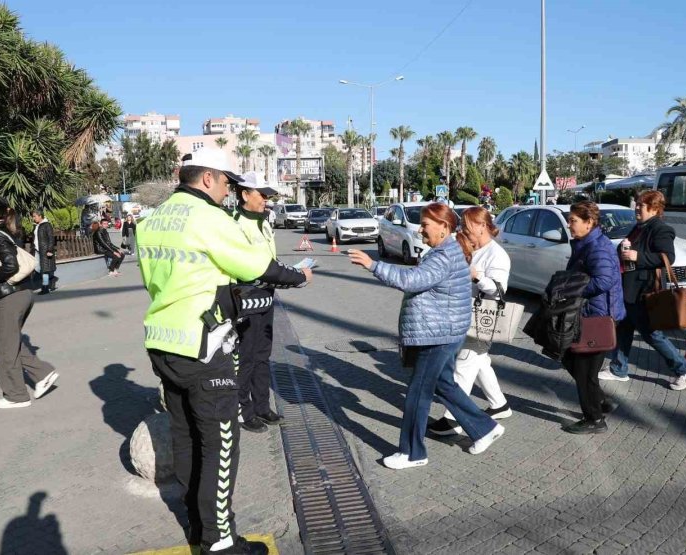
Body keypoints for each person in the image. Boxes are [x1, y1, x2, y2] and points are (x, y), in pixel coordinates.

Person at [138, 150, 311, 554]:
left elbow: (155, 282)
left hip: (163, 341)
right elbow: (258, 267)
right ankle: (220, 541)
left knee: (185, 436)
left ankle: (198, 526)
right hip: (204, 347)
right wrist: (298, 278)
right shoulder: (209, 219)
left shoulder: (152, 220)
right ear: (208, 179)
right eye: (227, 183)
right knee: (219, 442)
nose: (229, 191)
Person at [348, 203, 504, 470]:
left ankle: (412, 452)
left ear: (444, 227)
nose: (421, 229)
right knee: (444, 386)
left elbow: (412, 280)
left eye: (426, 225)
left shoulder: (443, 255)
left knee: (418, 393)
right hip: (444, 331)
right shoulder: (447, 250)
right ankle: (484, 428)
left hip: (438, 335)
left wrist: (373, 265)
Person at [600, 190, 686, 390]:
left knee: (652, 334)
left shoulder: (661, 229)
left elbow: (667, 257)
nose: (637, 208)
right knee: (624, 328)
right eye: (636, 204)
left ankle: (685, 369)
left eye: (641, 205)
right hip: (629, 288)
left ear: (654, 208)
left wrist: (638, 257)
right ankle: (619, 369)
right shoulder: (639, 227)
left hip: (643, 290)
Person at [428, 207, 513, 436]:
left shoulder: (497, 255)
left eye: (467, 225)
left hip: (482, 321)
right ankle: (499, 405)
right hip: (466, 317)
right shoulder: (475, 248)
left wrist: (477, 276)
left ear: (482, 226)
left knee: (463, 368)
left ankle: (453, 419)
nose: (463, 230)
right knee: (481, 363)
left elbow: (498, 290)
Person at [0, 197, 59, 409]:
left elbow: (9, 265)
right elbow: (7, 261)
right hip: (23, 292)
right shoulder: (6, 230)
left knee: (5, 348)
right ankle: (43, 373)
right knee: (12, 342)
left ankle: (16, 395)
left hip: (12, 297)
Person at [560, 201, 625, 434]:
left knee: (584, 370)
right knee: (570, 358)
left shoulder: (597, 247)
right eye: (569, 220)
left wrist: (573, 288)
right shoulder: (586, 243)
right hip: (590, 313)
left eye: (573, 221)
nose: (569, 225)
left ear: (589, 223)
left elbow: (604, 281)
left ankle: (595, 419)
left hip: (597, 318)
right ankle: (602, 402)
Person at [230, 172, 285, 433]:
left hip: (267, 294)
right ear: (244, 194)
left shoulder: (263, 221)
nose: (266, 199)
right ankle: (245, 411)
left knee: (263, 355)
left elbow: (268, 260)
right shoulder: (234, 223)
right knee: (247, 357)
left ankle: (262, 406)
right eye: (261, 194)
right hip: (246, 296)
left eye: (267, 195)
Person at [31, 209, 57, 295]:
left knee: (44, 270)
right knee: (38, 268)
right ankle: (51, 280)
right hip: (38, 251)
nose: (33, 218)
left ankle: (45, 288)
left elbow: (51, 238)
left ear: (40, 216)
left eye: (34, 216)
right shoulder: (36, 226)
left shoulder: (47, 225)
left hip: (45, 251)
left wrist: (49, 250)